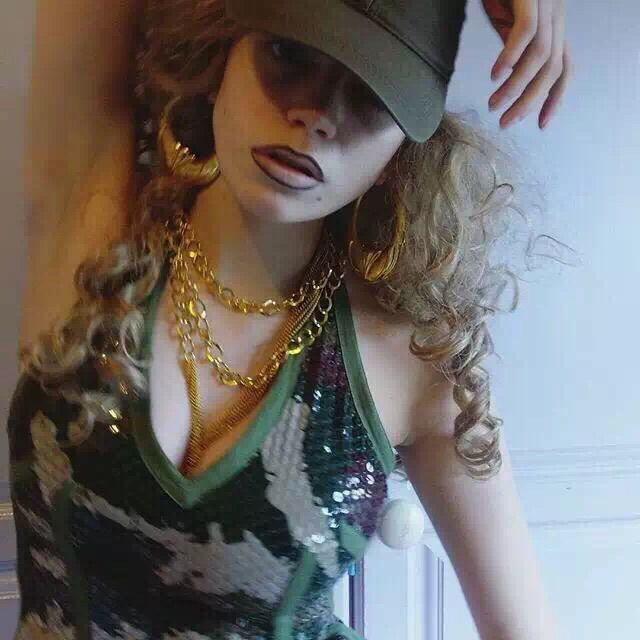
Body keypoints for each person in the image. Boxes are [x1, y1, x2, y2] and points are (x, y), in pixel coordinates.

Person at [7, 0, 572, 638]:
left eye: (370, 95)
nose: (316, 116)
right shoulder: (93, 235)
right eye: (289, 54)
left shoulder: (409, 359)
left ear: (399, 152)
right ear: (221, 56)